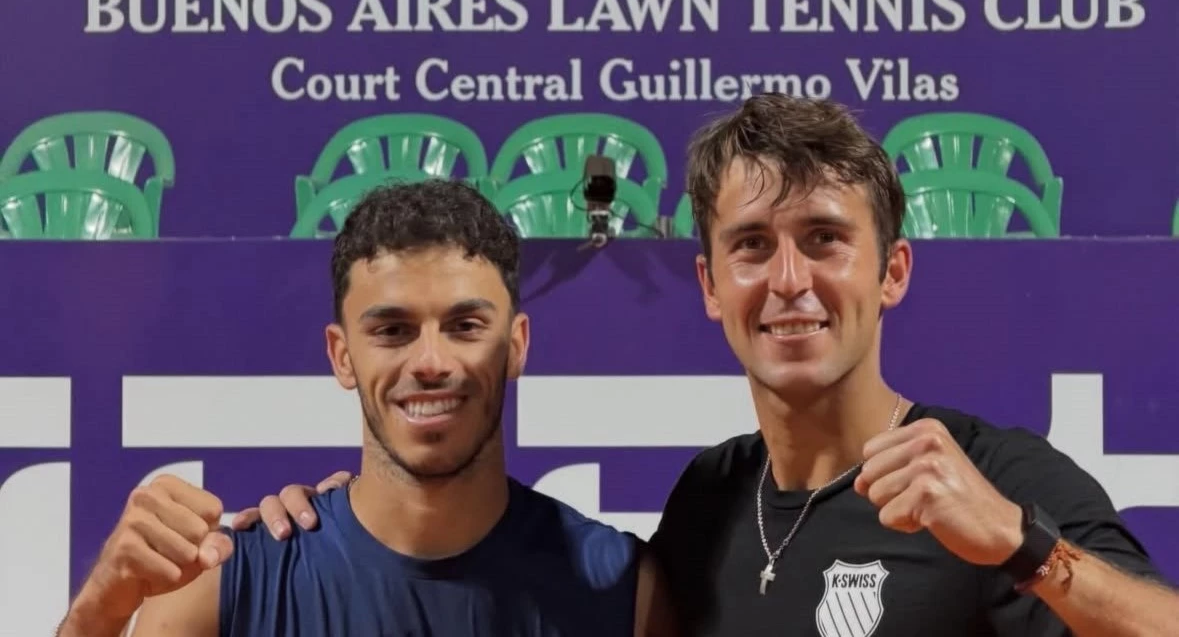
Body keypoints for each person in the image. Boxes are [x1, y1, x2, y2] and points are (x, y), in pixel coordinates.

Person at [236, 95, 1179, 636]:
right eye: (752, 245)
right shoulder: (709, 495)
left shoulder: (992, 477)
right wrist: (343, 513)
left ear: (891, 270)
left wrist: (1027, 550)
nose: (788, 279)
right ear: (708, 282)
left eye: (824, 239)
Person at [55, 180, 675, 636]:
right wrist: (99, 612)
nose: (430, 361)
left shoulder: (623, 591)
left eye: (464, 325)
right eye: (392, 330)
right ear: (342, 355)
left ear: (515, 346)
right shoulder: (226, 587)